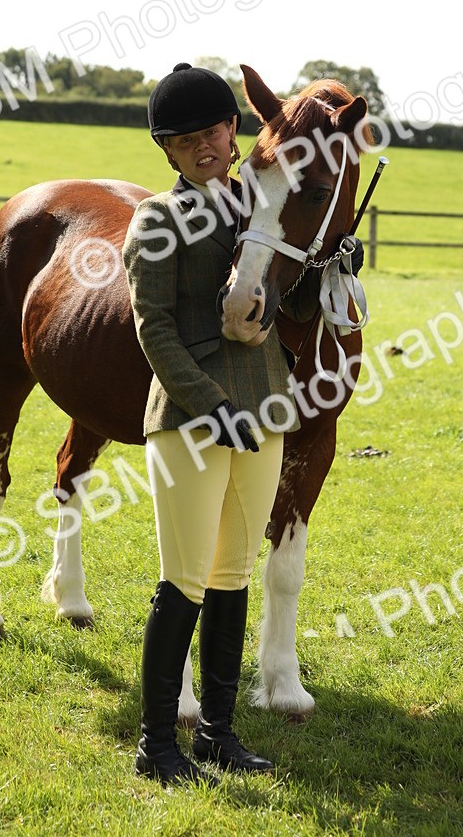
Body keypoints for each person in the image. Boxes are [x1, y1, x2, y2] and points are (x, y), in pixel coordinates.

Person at [121, 61, 322, 786]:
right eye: (184, 139)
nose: (202, 145)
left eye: (211, 129)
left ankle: (218, 733)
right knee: (184, 581)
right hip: (189, 418)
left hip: (266, 409)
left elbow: (284, 307)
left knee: (234, 576)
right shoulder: (157, 218)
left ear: (232, 130)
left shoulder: (260, 205)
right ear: (167, 151)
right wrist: (213, 408)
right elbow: (156, 331)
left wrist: (328, 267)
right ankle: (156, 744)